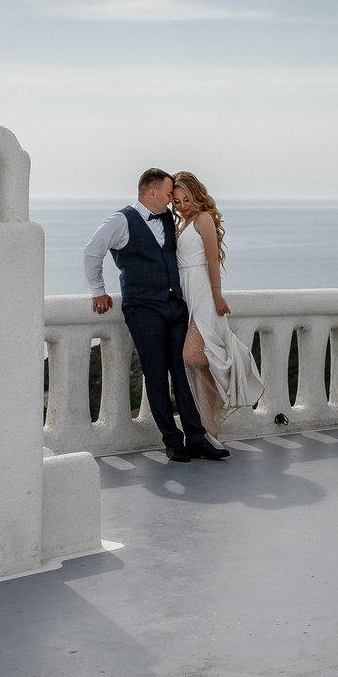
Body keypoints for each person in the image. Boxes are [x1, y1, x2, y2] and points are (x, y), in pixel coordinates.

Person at [83, 169, 229, 462]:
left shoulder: (166, 218)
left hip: (175, 305)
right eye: (168, 194)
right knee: (156, 373)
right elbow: (91, 252)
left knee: (182, 373)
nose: (172, 201)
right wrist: (98, 290)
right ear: (152, 193)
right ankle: (173, 441)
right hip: (143, 308)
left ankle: (197, 438)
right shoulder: (121, 220)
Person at [172, 171, 263, 439]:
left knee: (193, 355)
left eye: (186, 199)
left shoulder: (203, 219)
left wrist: (217, 294)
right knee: (199, 363)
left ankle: (236, 362)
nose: (182, 206)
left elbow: (212, 260)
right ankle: (210, 423)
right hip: (186, 294)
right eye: (176, 202)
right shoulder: (181, 225)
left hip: (202, 291)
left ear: (196, 194)